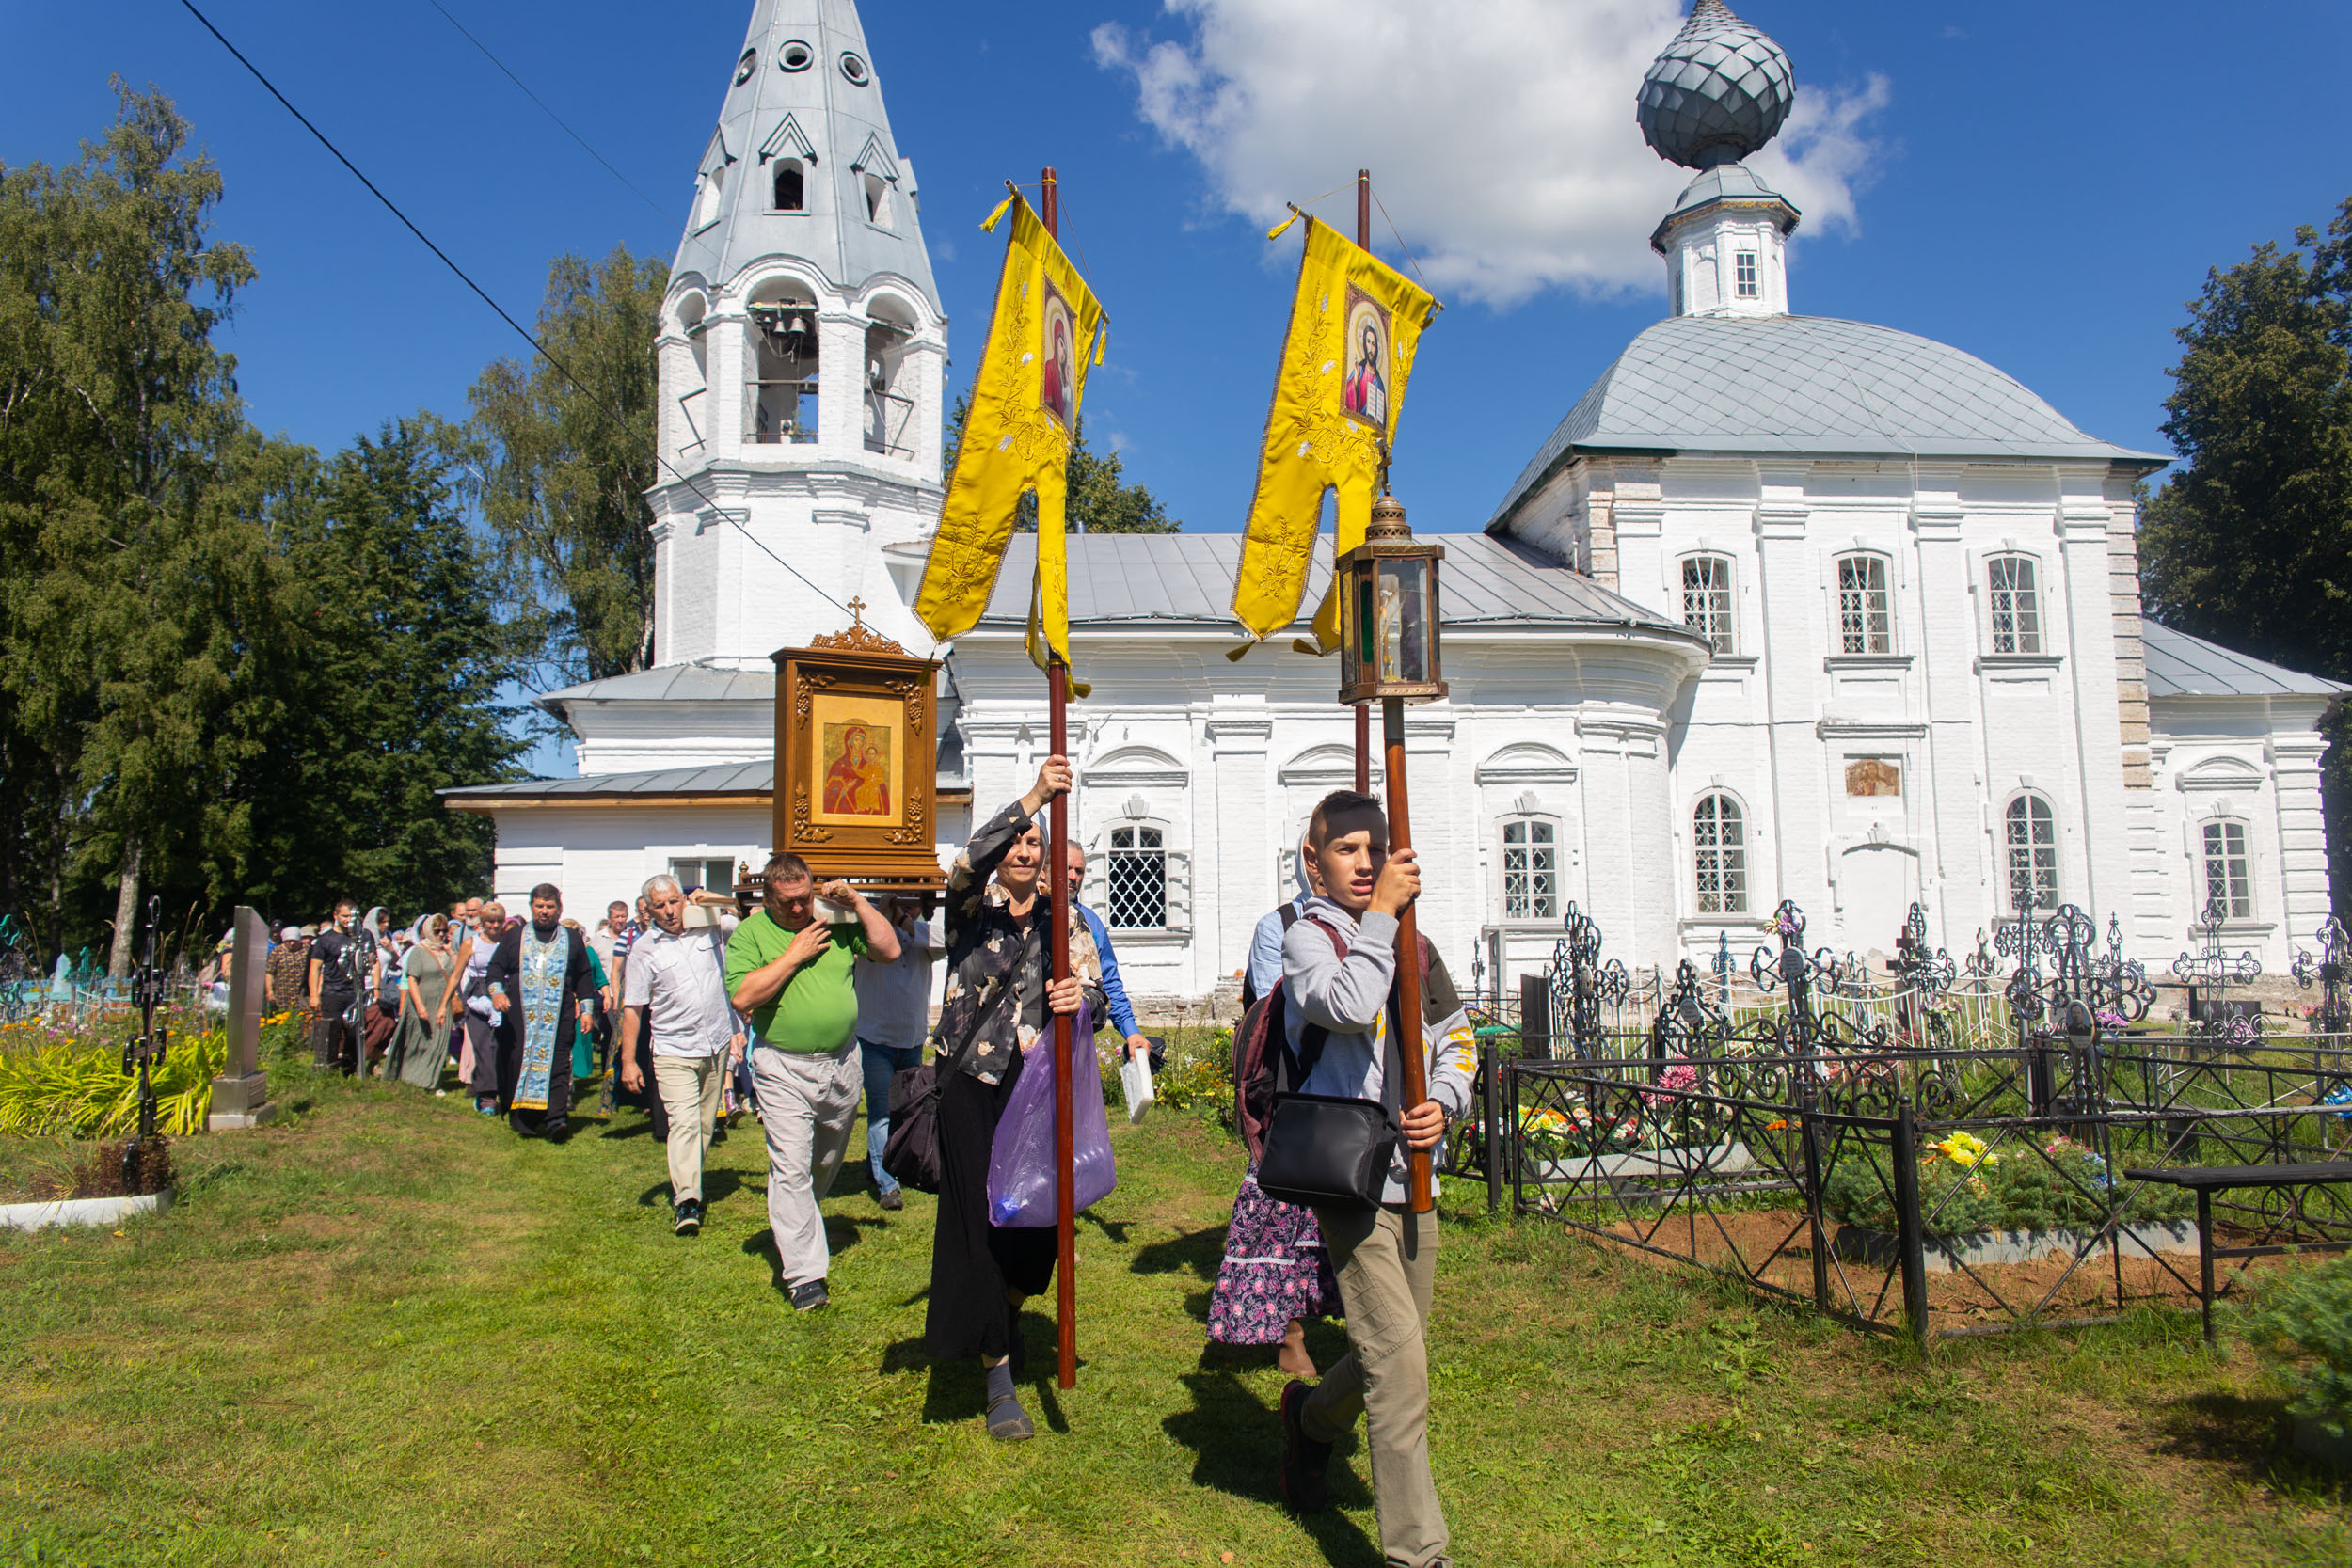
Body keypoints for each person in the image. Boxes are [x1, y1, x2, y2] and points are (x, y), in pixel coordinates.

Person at [1276, 788, 1476, 1568]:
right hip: (1351, 1183)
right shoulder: (1308, 938)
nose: (1366, 863)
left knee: (1393, 1351)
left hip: (1416, 1172)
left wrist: (1445, 1102)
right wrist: (1383, 919)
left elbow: (1458, 1039)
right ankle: (1418, 1553)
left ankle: (1310, 1420)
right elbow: (1351, 1005)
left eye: (1377, 849)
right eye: (1348, 849)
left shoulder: (1415, 944)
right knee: (1398, 1367)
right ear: (1315, 861)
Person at [925, 756, 1104, 1443]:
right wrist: (1033, 797)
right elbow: (966, 862)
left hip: (1036, 1091)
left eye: (1036, 843)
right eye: (1018, 841)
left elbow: (1096, 996)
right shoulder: (972, 910)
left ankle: (1004, 1308)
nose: (1026, 851)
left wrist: (1078, 999)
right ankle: (997, 1374)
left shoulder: (1066, 920)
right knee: (980, 1228)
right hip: (971, 1085)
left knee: (1036, 1229)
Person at [724, 855, 900, 1310]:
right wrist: (794, 954)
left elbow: (889, 951)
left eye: (804, 898)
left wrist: (857, 901)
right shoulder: (751, 934)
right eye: (788, 902)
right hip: (782, 1066)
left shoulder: (833, 920)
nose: (800, 908)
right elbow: (743, 996)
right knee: (791, 1166)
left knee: (823, 1161)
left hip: (842, 1063)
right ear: (768, 899)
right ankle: (805, 1276)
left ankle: (800, 1218)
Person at [1211, 834, 1338, 1378]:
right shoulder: (1279, 927)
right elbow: (1280, 1009)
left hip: (1355, 1095)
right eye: (1340, 852)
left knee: (1336, 1217)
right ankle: (1289, 1332)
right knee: (1277, 1214)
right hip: (1295, 1095)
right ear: (1311, 861)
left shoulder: (1376, 926)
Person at [619, 876, 743, 1236]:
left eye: (674, 901)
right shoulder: (644, 949)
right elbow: (633, 1008)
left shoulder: (710, 926)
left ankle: (690, 1179)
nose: (670, 911)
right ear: (648, 910)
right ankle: (687, 1200)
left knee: (704, 1125)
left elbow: (742, 915)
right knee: (685, 1123)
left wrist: (713, 899)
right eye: (660, 906)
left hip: (715, 1044)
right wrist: (628, 1060)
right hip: (673, 1049)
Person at [486, 884, 598, 1138]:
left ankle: (556, 1119)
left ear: (559, 909)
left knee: (559, 1064)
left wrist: (587, 1010)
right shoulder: (515, 937)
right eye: (539, 906)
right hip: (520, 1019)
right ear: (532, 907)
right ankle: (523, 1118)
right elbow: (495, 968)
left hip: (560, 1017)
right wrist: (497, 993)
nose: (544, 911)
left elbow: (583, 976)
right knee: (519, 1063)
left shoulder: (572, 939)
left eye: (550, 906)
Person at [853, 893, 943, 1212]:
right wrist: (881, 915)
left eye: (914, 901)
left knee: (902, 1110)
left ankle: (876, 1163)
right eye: (900, 900)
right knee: (880, 1111)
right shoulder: (869, 932)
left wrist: (903, 921)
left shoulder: (926, 934)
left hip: (911, 1039)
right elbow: (863, 942)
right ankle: (888, 1185)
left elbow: (944, 943)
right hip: (873, 1037)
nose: (907, 906)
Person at [1060, 844, 1153, 1068]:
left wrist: (1131, 1032)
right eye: (1066, 868)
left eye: (1079, 871)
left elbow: (1108, 981)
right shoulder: (1028, 913)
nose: (1073, 876)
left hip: (1073, 1039)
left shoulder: (1091, 924)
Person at [389, 914, 459, 1091]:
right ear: (428, 931)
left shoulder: (446, 952)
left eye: (444, 931)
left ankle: (431, 1081)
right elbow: (411, 980)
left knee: (439, 1043)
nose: (441, 934)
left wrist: (450, 950)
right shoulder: (418, 951)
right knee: (419, 1043)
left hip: (442, 1002)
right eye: (437, 931)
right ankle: (411, 1079)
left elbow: (457, 971)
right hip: (422, 1001)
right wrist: (420, 1007)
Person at [454, 900, 507, 1117]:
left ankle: (498, 1089)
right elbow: (456, 975)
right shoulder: (471, 944)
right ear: (482, 923)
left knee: (500, 1047)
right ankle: (486, 1098)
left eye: (498, 921)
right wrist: (446, 1003)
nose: (494, 925)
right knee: (484, 1047)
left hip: (502, 995)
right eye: (490, 921)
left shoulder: (507, 943)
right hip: (477, 995)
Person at [308, 900, 363, 1075]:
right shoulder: (324, 940)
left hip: (353, 993)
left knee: (354, 1034)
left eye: (351, 917)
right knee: (332, 1032)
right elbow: (315, 968)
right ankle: (326, 1070)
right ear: (335, 915)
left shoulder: (358, 938)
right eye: (344, 916)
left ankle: (349, 1070)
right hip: (332, 992)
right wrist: (314, 995)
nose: (348, 920)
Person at [264, 926, 310, 1023]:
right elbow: (269, 972)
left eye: (295, 941)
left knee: (303, 1019)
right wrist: (269, 991)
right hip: (282, 993)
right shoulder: (277, 952)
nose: (292, 944)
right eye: (289, 941)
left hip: (302, 992)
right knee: (282, 1019)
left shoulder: (307, 950)